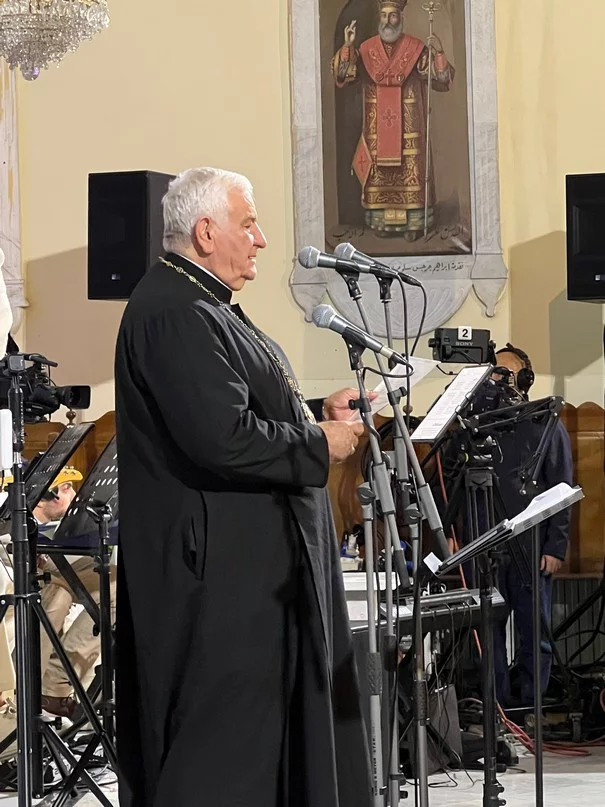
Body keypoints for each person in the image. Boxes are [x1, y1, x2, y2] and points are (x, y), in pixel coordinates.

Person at [114, 167, 373, 807]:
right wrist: (320, 444)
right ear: (206, 232)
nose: (260, 239)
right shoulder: (173, 310)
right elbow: (222, 438)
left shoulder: (201, 303)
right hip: (217, 580)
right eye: (248, 222)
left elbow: (238, 405)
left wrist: (318, 411)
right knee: (226, 760)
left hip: (251, 570)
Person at [491, 344, 573, 705]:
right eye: (495, 374)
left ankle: (530, 709)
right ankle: (497, 710)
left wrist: (556, 547)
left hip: (533, 546)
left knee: (534, 632)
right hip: (488, 550)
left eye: (509, 374)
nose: (501, 381)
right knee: (488, 632)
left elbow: (563, 489)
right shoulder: (479, 429)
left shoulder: (547, 425)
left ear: (525, 379)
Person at [331, 0, 453, 238]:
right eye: (384, 16)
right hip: (376, 129)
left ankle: (414, 224)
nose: (387, 21)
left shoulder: (416, 49)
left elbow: (440, 79)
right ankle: (382, 224)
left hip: (410, 129)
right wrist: (347, 46)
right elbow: (343, 75)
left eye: (393, 16)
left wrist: (437, 53)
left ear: (401, 18)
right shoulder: (366, 49)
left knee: (411, 171)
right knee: (379, 175)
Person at [34, 466, 117, 719]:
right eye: (67, 487)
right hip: (24, 572)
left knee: (116, 582)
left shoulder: (54, 526)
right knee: (56, 593)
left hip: (53, 563)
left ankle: (55, 686)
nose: (72, 496)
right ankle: (37, 690)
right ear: (49, 495)